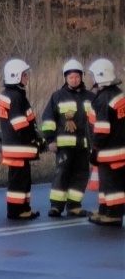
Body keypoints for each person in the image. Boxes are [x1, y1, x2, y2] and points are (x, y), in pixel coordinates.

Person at [39, 58, 92, 217]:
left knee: (81, 175)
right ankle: (56, 206)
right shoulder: (58, 96)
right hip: (64, 146)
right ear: (65, 78)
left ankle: (74, 206)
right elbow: (48, 119)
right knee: (62, 174)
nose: (74, 80)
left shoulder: (90, 97)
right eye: (71, 77)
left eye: (77, 76)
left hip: (83, 145)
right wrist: (50, 140)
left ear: (82, 77)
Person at [0, 58, 41, 220]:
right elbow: (20, 124)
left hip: (14, 147)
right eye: (24, 75)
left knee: (21, 180)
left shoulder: (9, 95)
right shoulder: (16, 97)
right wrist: (34, 140)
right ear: (16, 76)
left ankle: (23, 208)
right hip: (19, 147)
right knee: (19, 181)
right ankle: (17, 211)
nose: (27, 78)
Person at [85, 58, 124, 226]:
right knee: (106, 182)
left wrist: (95, 150)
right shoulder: (117, 93)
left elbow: (102, 129)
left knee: (112, 184)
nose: (92, 79)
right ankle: (104, 208)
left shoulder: (103, 99)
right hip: (118, 148)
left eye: (94, 76)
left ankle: (113, 214)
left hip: (108, 151)